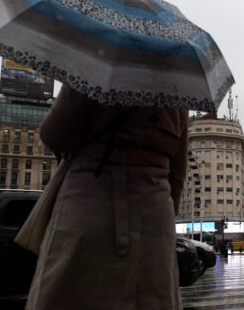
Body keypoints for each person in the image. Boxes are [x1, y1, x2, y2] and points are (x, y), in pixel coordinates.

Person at [24, 85, 188, 309]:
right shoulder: (178, 88)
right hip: (154, 218)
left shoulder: (94, 70)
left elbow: (55, 135)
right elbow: (177, 176)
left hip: (89, 203)